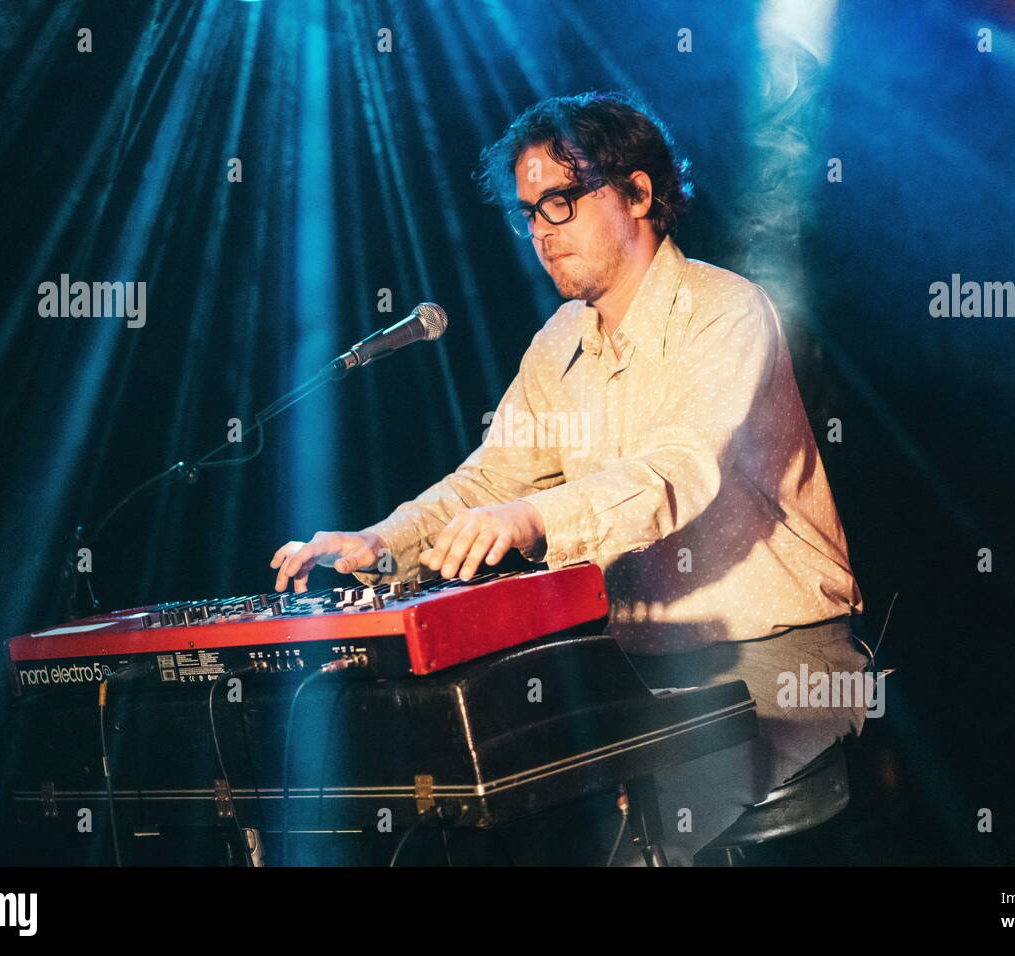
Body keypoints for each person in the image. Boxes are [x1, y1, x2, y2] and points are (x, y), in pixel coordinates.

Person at [271, 91, 871, 864]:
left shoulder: (725, 311)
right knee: (485, 819)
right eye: (529, 214)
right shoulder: (559, 341)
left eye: (560, 202)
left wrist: (533, 518)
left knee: (637, 843)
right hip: (633, 667)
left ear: (638, 193)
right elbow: (490, 481)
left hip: (776, 655)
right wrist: (380, 544)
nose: (541, 234)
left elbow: (678, 471)